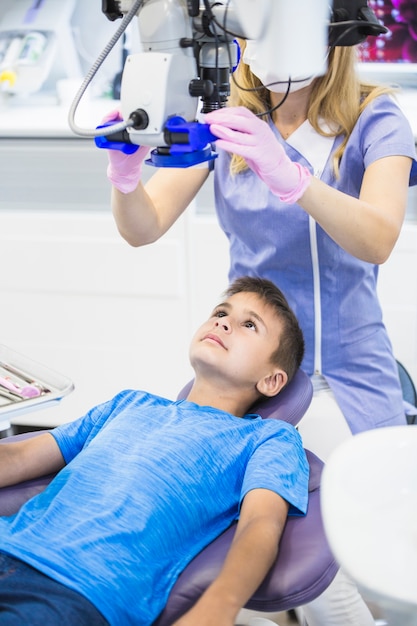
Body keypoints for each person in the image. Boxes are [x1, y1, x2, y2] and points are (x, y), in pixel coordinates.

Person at [104, 6, 417, 624]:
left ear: (329, 34)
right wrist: (124, 175)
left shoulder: (375, 117)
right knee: (221, 543)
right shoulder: (228, 119)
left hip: (345, 375)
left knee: (327, 558)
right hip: (254, 375)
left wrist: (295, 180)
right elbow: (145, 227)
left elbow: (379, 237)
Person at [0, 276, 309, 626]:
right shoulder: (129, 403)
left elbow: (260, 523)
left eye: (249, 324)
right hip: (9, 542)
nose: (223, 321)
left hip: (82, 589)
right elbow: (20, 457)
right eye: (221, 312)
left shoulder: (267, 438)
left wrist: (217, 609)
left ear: (271, 380)